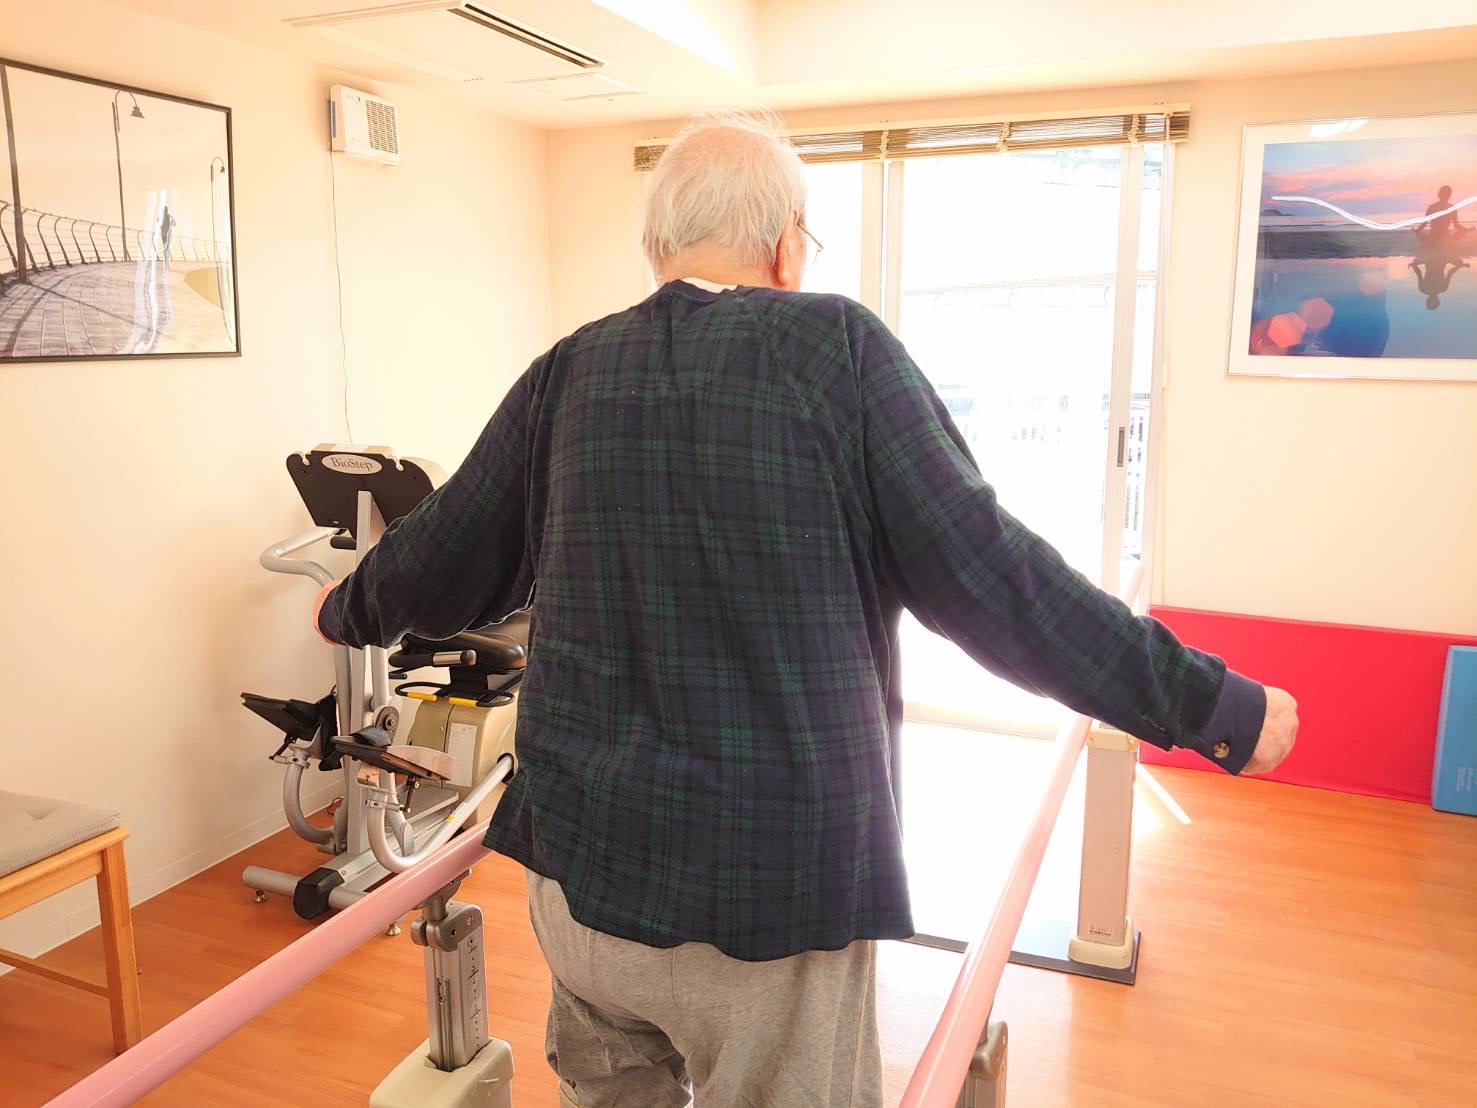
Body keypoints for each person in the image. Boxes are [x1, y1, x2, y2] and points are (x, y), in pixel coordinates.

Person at [312, 111, 1299, 1108]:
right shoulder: (836, 351)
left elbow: (439, 553)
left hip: (578, 883)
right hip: (764, 898)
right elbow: (994, 579)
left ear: (657, 249)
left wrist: (347, 606)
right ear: (786, 244)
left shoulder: (566, 372)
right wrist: (1212, 706)